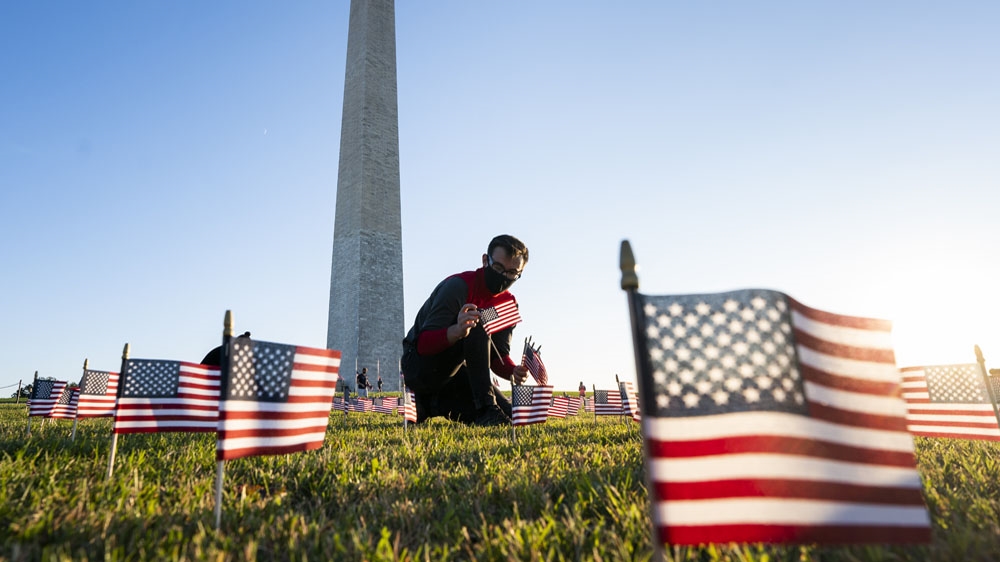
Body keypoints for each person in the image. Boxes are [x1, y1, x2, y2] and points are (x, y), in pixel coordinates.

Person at [401, 234, 531, 427]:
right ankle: (486, 409)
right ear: (485, 260)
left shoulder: (507, 304)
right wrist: (456, 331)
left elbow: (497, 356)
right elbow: (423, 344)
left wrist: (514, 370)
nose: (503, 276)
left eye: (512, 273)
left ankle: (429, 404)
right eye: (498, 268)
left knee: (511, 416)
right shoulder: (459, 287)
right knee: (477, 323)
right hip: (420, 365)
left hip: (458, 371)